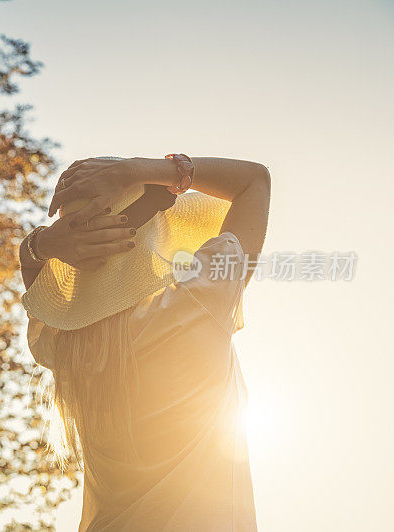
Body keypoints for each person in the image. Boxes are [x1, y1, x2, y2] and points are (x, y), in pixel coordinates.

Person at [18, 155, 270, 531]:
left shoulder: (66, 345)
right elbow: (255, 180)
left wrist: (40, 245)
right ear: (155, 237)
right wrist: (134, 171)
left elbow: (38, 284)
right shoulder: (196, 303)